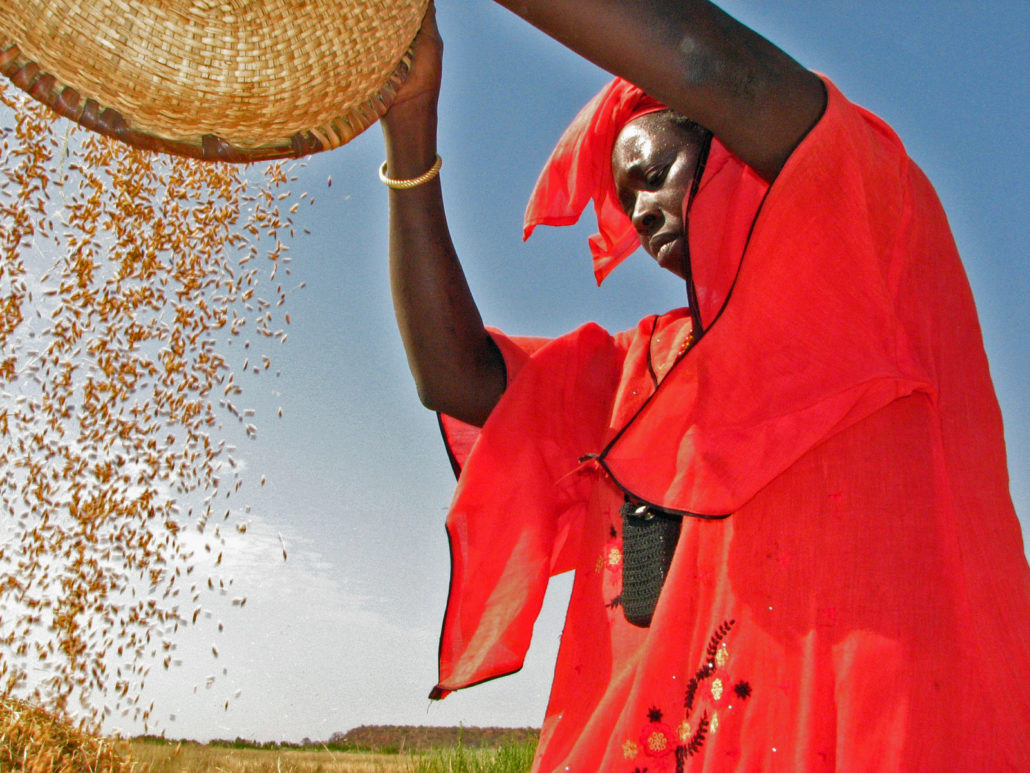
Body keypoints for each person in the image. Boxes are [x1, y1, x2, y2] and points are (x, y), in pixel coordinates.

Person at [378, 2, 1030, 770]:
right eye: (627, 200)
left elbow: (713, 66)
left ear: (723, 137)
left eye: (655, 176)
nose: (642, 211)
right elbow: (453, 374)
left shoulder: (875, 229)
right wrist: (410, 124)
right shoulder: (635, 372)